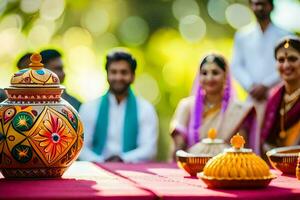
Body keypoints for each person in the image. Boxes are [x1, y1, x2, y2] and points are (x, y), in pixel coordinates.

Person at [79, 51, 158, 163]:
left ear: (133, 76)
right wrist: (101, 161)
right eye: (113, 72)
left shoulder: (145, 109)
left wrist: (123, 159)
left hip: (133, 170)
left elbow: (149, 150)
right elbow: (81, 147)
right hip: (98, 169)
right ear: (107, 75)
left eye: (124, 72)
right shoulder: (89, 108)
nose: (118, 77)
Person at [170, 53, 257, 155]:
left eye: (215, 73)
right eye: (204, 73)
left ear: (225, 76)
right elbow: (178, 147)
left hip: (226, 166)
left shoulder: (239, 110)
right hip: (193, 164)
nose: (209, 78)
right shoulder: (187, 106)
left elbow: (241, 147)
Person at [231, 0, 291, 136]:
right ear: (250, 6)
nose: (259, 7)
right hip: (251, 98)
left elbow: (290, 65)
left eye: (263, 4)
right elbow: (236, 66)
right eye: (255, 4)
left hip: (279, 97)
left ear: (271, 6)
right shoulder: (242, 36)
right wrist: (251, 86)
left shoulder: (285, 36)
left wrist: (265, 86)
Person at [261, 36, 300, 153]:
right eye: (281, 60)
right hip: (276, 165)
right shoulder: (273, 98)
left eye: (292, 59)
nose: (286, 65)